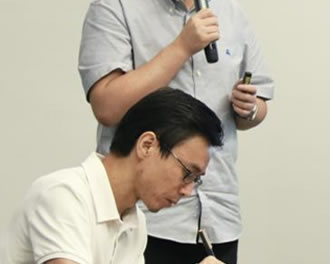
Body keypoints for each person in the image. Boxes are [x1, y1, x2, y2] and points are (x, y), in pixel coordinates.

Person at [77, 0, 275, 264]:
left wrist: (249, 108)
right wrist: (182, 47)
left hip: (217, 214)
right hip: (141, 218)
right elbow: (107, 105)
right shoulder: (114, 7)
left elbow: (258, 106)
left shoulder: (232, 13)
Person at [5, 87, 225, 264]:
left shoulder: (135, 222)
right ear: (147, 145)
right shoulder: (63, 195)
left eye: (196, 179)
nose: (188, 191)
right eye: (188, 173)